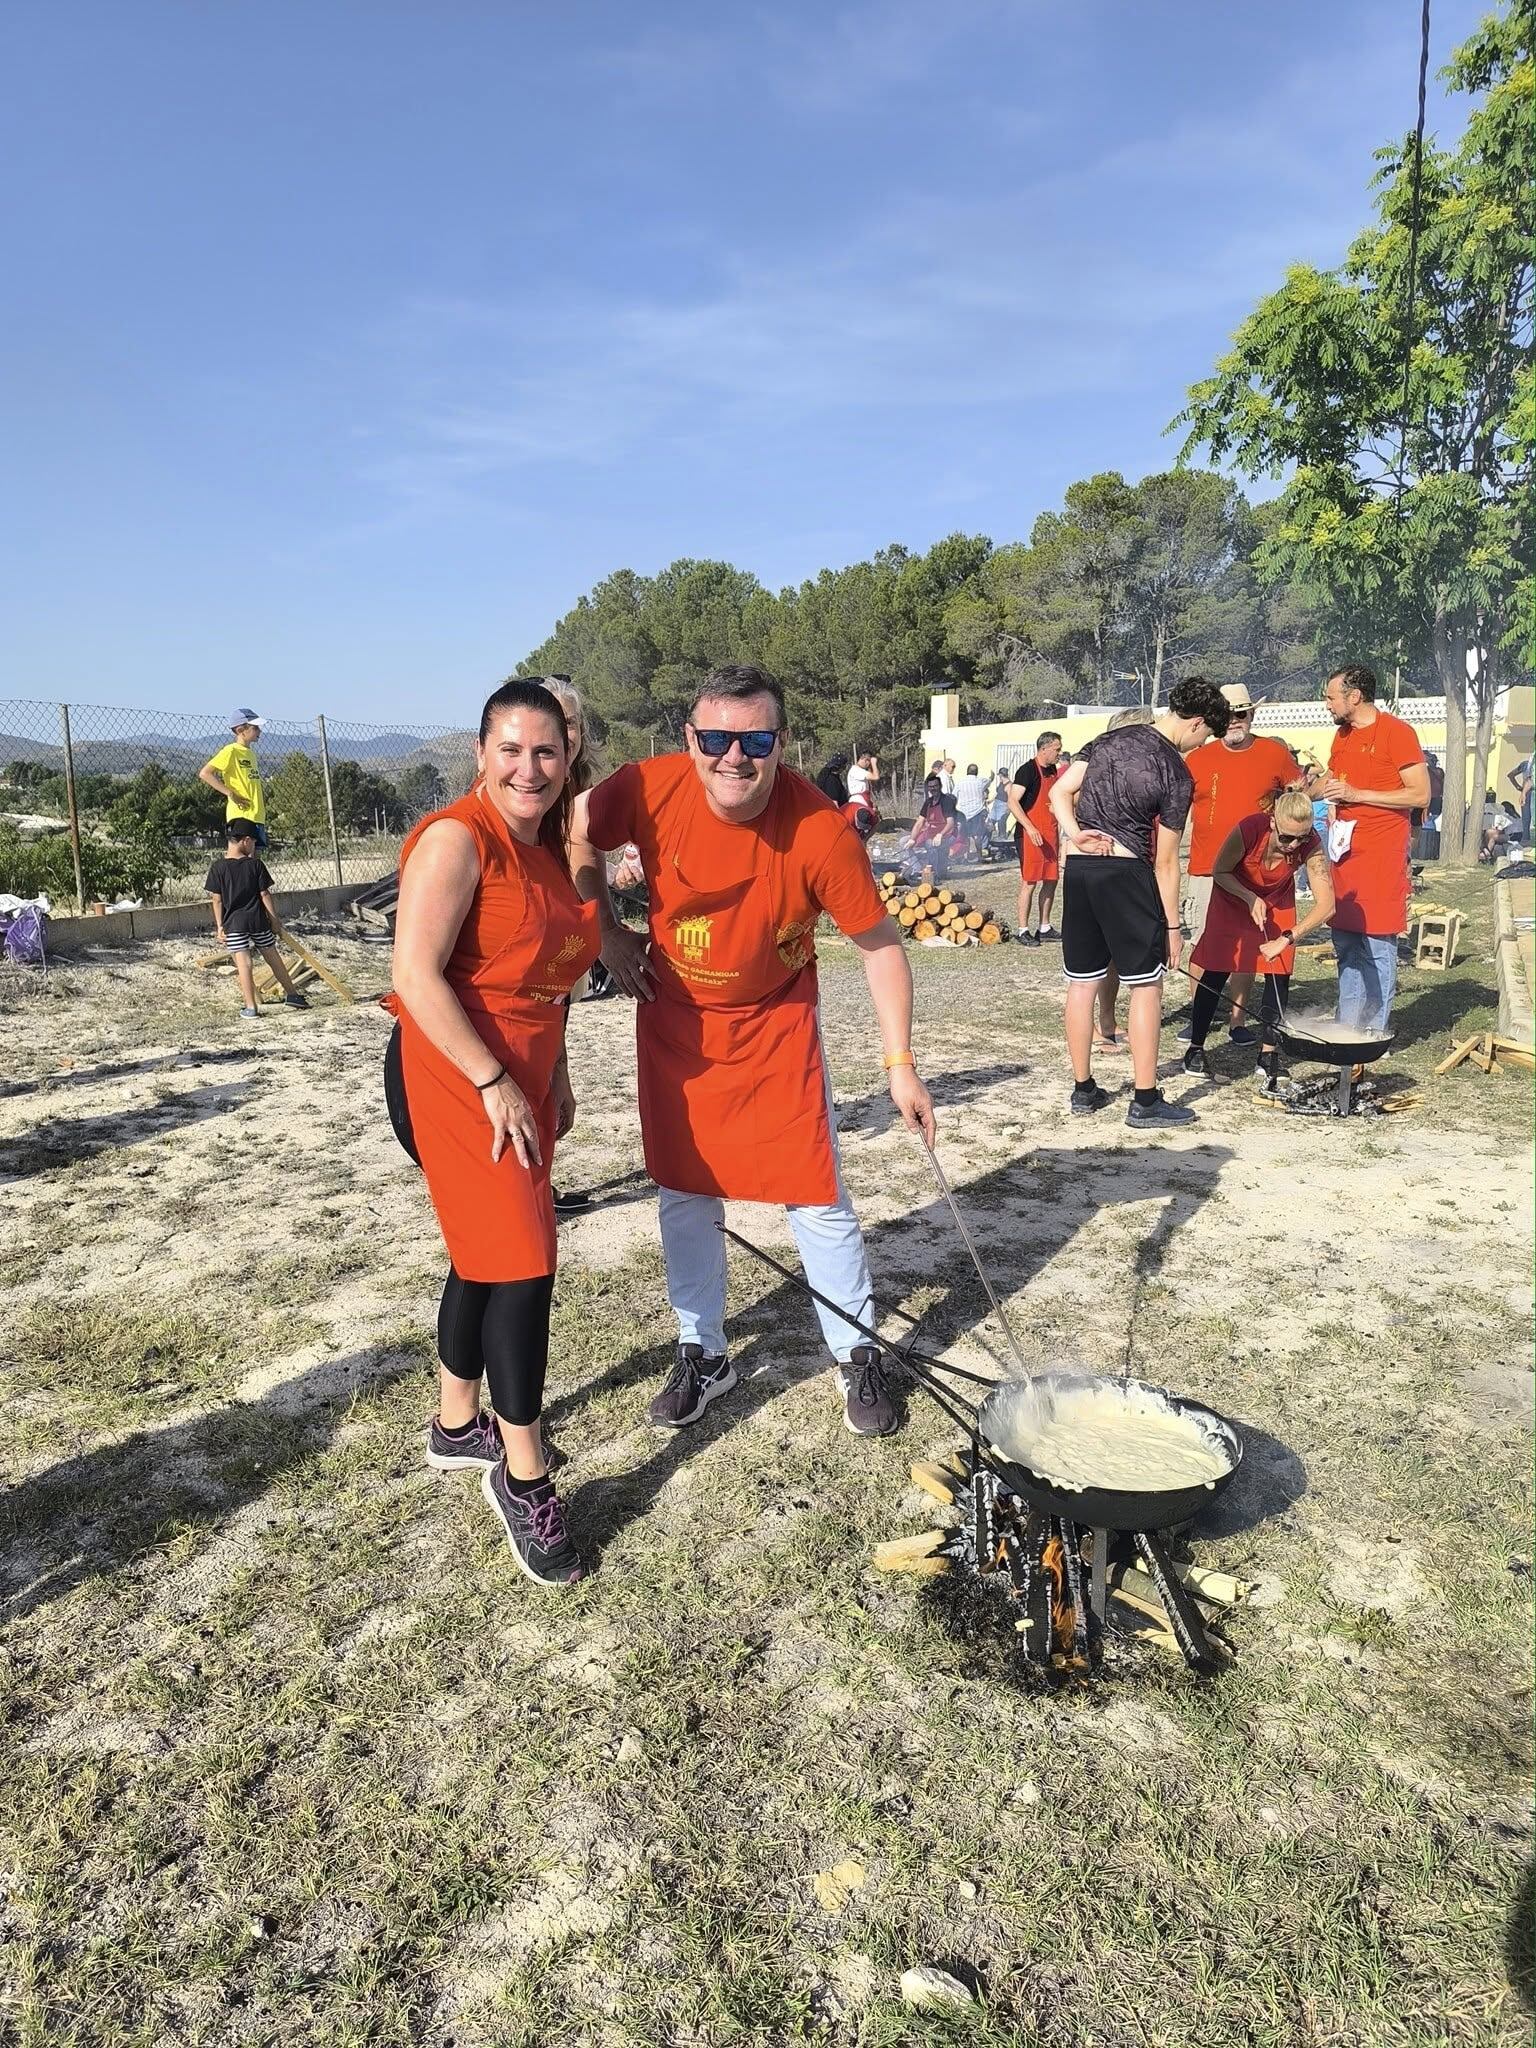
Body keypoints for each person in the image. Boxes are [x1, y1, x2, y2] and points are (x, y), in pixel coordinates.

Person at [576, 663, 937, 1439]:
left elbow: (879, 946)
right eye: (716, 738)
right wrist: (604, 931)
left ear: (781, 742)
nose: (733, 757)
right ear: (690, 737)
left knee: (814, 1195)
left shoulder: (817, 829)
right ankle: (703, 1352)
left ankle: (856, 1351)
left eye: (755, 740)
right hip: (677, 1023)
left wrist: (899, 1064)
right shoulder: (645, 787)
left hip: (776, 1025)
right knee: (684, 1192)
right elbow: (572, 830)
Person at [388, 678, 601, 1587]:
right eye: (511, 749)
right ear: (481, 754)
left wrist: (552, 1076)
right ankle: (524, 1475)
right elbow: (413, 975)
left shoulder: (548, 847)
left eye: (546, 752)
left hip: (520, 1078)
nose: (529, 767)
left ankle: (453, 1424)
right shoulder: (456, 838)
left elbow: (546, 980)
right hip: (456, 1074)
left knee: (485, 1251)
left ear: (568, 758)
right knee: (522, 1266)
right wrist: (492, 1081)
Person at [1049, 676, 1232, 1127]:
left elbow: (1058, 793)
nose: (1201, 743)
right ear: (1196, 723)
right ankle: (1146, 1099)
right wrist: (1173, 927)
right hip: (1127, 874)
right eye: (1206, 735)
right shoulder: (1176, 772)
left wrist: (1074, 835)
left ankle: (1083, 1089)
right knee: (1146, 984)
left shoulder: (1108, 739)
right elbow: (1167, 863)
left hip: (1081, 871)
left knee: (1082, 982)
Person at [1181, 789, 1335, 1095]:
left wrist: (1288, 938)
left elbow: (1327, 905)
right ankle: (1196, 1048)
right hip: (1232, 897)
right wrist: (1249, 896)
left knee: (1279, 974)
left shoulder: (1311, 844)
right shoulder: (1249, 829)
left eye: (1302, 838)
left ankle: (1268, 1054)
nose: (1295, 846)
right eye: (1288, 838)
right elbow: (1220, 870)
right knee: (1216, 968)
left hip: (1277, 900)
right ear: (1273, 823)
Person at [1181, 684, 1300, 1043]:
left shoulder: (1273, 753)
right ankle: (1198, 1015)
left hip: (1256, 872)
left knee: (1248, 950)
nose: (1235, 721)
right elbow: (1178, 811)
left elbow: (1298, 793)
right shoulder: (1198, 758)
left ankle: (1237, 1021)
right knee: (1205, 947)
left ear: (1252, 715)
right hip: (1206, 867)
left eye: (1242, 714)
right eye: (1228, 715)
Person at [1317, 665, 1428, 1034]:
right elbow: (1337, 780)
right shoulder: (1342, 736)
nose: (1326, 704)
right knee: (1346, 944)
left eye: (1331, 697)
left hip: (1381, 857)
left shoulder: (1397, 733)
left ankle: (1374, 1031)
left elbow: (1420, 794)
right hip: (1345, 857)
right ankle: (1347, 1026)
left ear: (1354, 696)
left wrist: (1357, 795)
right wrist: (1319, 793)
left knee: (1377, 946)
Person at [204, 818, 308, 1017]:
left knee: (244, 964)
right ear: (246, 840)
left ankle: (251, 1007)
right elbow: (264, 894)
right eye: (253, 843)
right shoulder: (255, 865)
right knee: (273, 957)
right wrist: (274, 920)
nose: (253, 847)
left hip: (233, 924)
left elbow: (216, 900)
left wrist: (219, 926)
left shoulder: (218, 868)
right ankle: (293, 995)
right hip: (258, 921)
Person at [1007, 731, 1064, 946]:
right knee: (1029, 882)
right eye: (1056, 749)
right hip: (1029, 835)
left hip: (1050, 833)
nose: (1059, 753)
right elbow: (1012, 802)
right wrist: (1030, 828)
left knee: (1051, 879)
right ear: (1044, 749)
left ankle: (1045, 927)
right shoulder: (1027, 770)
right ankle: (1023, 930)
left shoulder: (1053, 770)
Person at [199, 710, 269, 848]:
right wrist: (231, 794)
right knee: (240, 858)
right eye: (255, 728)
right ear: (241, 730)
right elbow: (205, 773)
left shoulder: (251, 754)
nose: (259, 731)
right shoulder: (231, 751)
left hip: (256, 815)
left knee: (253, 861)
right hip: (242, 815)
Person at [906, 773, 962, 877]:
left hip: (949, 834)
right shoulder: (928, 802)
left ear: (940, 786)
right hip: (931, 834)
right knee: (904, 842)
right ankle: (918, 870)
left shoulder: (947, 801)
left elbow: (950, 823)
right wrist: (912, 838)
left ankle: (933, 874)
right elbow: (919, 822)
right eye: (931, 786)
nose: (933, 788)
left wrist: (940, 834)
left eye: (935, 786)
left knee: (929, 844)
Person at [953, 762, 989, 858]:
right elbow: (989, 781)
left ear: (967, 772)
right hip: (976, 812)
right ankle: (979, 855)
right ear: (977, 772)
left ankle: (965, 855)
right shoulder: (981, 781)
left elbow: (954, 796)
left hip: (963, 812)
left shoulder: (960, 782)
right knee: (977, 835)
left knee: (964, 835)